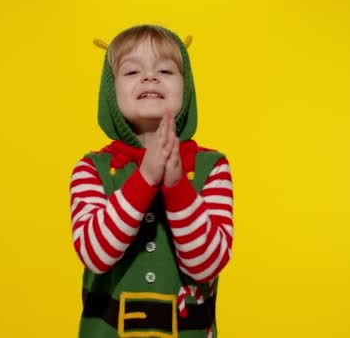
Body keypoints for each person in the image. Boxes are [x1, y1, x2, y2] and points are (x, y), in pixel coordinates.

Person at [69, 24, 234, 338]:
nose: (149, 77)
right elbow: (95, 254)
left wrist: (176, 185)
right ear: (110, 91)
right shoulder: (91, 169)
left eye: (165, 70)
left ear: (187, 90)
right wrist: (145, 178)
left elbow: (206, 265)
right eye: (132, 72)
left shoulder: (212, 167)